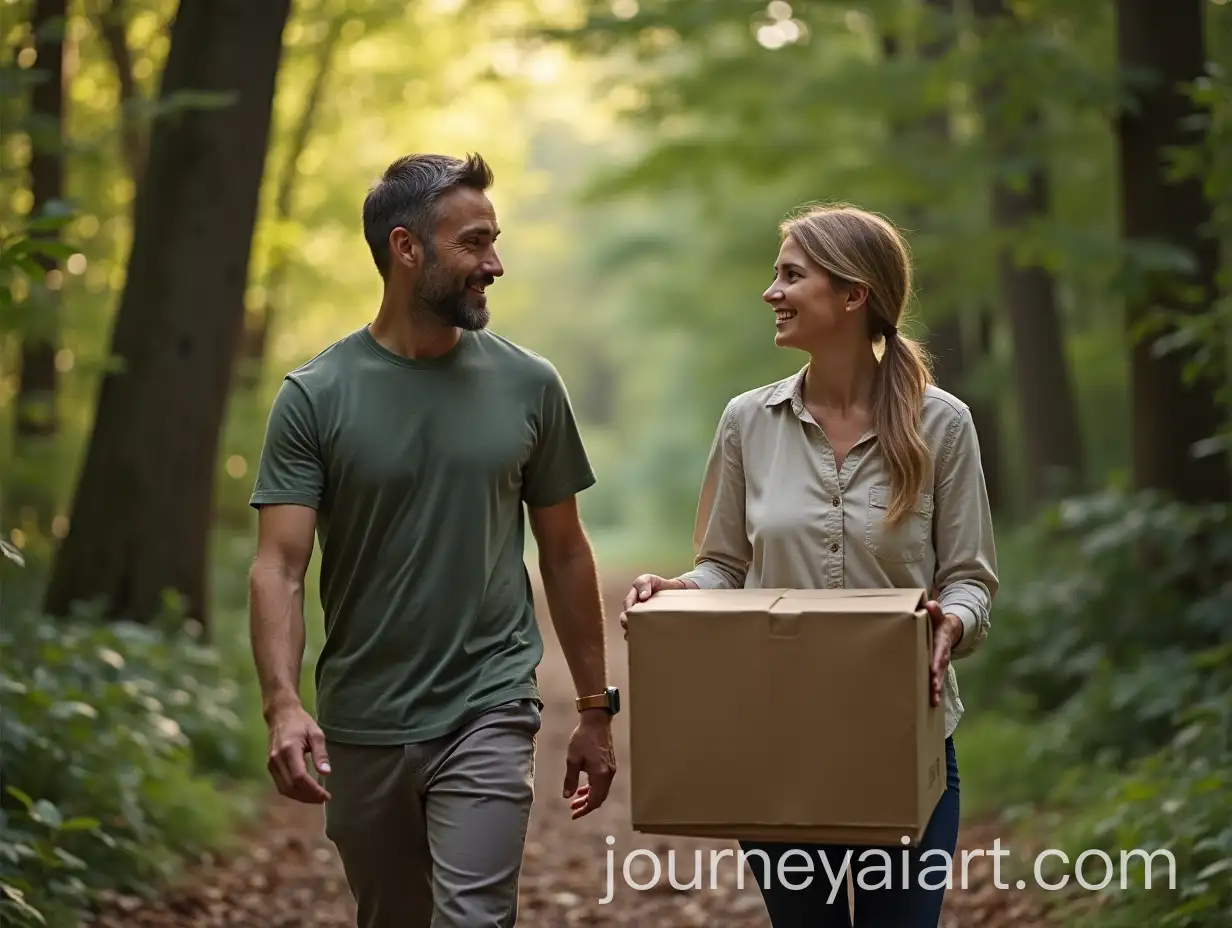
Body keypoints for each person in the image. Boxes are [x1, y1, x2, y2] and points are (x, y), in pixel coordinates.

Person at [247, 152, 619, 928]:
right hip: (363, 715)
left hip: (489, 700)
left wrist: (594, 708)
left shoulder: (530, 385)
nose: (495, 264)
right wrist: (283, 704)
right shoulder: (315, 396)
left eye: (495, 240)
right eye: (474, 243)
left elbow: (566, 551)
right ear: (405, 248)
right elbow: (280, 565)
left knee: (475, 918)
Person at [619, 202, 998, 927]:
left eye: (791, 276)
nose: (772, 293)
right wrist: (681, 591)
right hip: (778, 741)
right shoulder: (747, 422)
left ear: (853, 295)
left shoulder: (941, 424)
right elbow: (724, 566)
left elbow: (972, 577)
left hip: (902, 739)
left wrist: (953, 621)